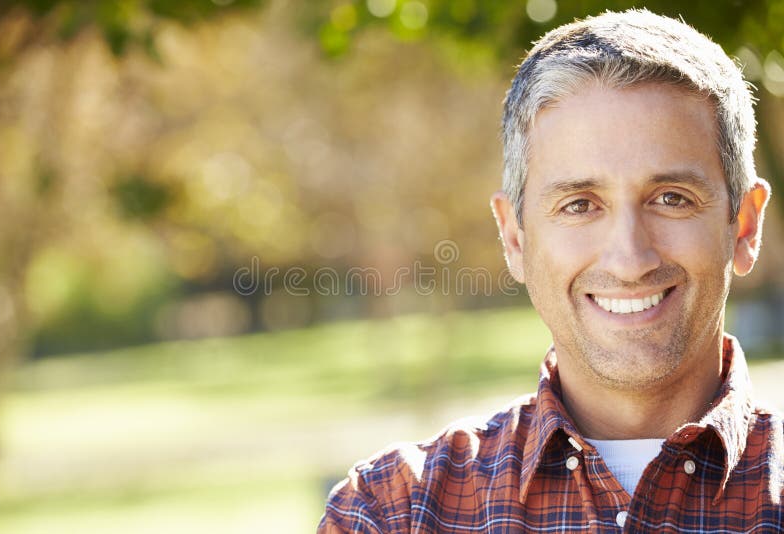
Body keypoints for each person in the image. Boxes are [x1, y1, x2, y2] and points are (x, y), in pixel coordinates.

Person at [318, 9, 781, 532]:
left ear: (742, 226)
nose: (630, 260)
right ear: (514, 237)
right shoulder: (394, 513)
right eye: (580, 205)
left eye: (672, 198)